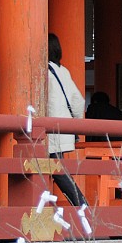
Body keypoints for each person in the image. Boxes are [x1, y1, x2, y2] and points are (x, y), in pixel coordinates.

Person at [47, 33, 87, 206]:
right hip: (63, 128)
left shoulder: (42, 71)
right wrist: (75, 123)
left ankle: (81, 204)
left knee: (55, 169)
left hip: (49, 129)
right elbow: (78, 101)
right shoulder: (63, 71)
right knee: (56, 168)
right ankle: (81, 205)